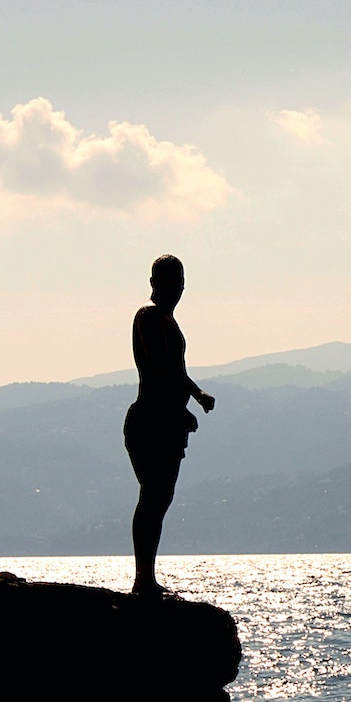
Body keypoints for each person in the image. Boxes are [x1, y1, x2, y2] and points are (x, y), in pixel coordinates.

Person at [123, 254, 215, 597]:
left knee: (160, 497)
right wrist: (183, 406)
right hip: (150, 420)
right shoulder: (148, 317)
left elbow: (176, 370)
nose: (175, 288)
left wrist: (196, 394)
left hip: (167, 421)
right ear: (153, 284)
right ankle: (142, 579)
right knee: (153, 496)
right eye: (168, 281)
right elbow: (161, 366)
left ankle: (147, 577)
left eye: (178, 281)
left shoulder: (167, 321)